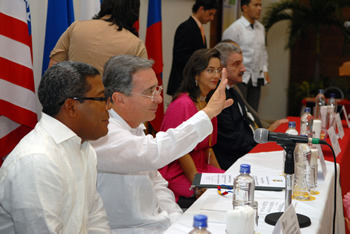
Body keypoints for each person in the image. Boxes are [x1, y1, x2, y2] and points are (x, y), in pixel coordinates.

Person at [91, 55, 232, 233]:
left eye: (157, 89)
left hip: (159, 226)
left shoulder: (135, 128)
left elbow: (158, 185)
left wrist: (176, 221)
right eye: (149, 92)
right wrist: (208, 112)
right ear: (119, 99)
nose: (158, 99)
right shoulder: (103, 133)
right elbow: (154, 152)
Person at [0, 62, 111, 233]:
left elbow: (95, 217)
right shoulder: (37, 160)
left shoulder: (85, 149)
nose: (108, 107)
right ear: (71, 107)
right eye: (101, 98)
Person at [160, 48, 225, 202]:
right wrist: (198, 184)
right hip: (178, 172)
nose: (216, 76)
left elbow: (208, 147)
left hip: (200, 167)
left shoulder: (205, 103)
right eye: (210, 70)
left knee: (231, 186)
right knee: (215, 198)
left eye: (218, 70)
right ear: (196, 74)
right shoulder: (182, 104)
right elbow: (180, 150)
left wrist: (221, 173)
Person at [213, 42, 288, 170]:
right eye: (236, 64)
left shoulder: (233, 89)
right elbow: (231, 141)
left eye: (242, 63)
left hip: (250, 151)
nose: (243, 69)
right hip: (236, 162)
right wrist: (263, 145)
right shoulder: (218, 97)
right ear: (222, 69)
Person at [48, 0, 147, 74]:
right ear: (134, 10)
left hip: (73, 100)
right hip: (111, 101)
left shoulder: (76, 27)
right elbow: (143, 84)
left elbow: (53, 69)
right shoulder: (135, 44)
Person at [222, 0, 269, 111]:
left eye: (260, 5)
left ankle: (253, 128)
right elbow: (225, 54)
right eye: (256, 5)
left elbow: (263, 51)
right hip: (240, 76)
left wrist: (265, 69)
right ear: (245, 7)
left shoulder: (261, 28)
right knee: (239, 108)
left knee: (253, 110)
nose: (259, 8)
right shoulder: (234, 29)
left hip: (256, 75)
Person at [166, 0, 219, 96]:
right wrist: (201, 67)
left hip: (193, 83)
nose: (212, 18)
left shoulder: (199, 29)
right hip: (183, 83)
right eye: (210, 14)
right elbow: (181, 56)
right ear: (201, 9)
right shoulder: (186, 27)